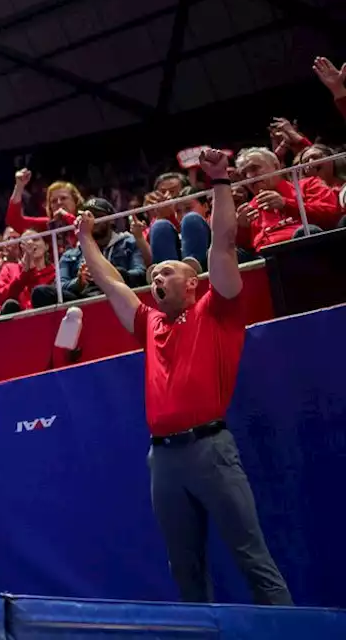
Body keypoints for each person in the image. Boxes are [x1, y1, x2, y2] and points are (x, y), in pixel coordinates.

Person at [76, 148, 291, 605]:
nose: (155, 276)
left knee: (252, 558)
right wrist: (85, 238)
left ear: (193, 283)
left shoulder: (217, 311)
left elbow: (224, 243)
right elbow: (112, 282)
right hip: (164, 462)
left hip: (211, 450)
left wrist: (218, 182)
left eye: (166, 270)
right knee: (184, 568)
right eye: (152, 272)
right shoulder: (149, 324)